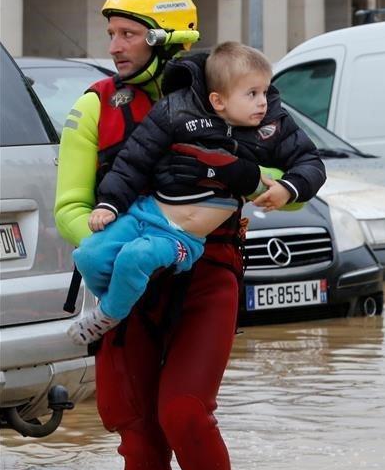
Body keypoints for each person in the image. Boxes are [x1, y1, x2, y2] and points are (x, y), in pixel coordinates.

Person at [53, 0, 285, 470]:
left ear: (167, 38)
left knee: (182, 412)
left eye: (128, 33)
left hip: (207, 275)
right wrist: (125, 241)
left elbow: (294, 178)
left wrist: (257, 184)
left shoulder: (233, 92)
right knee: (137, 432)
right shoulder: (94, 105)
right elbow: (69, 210)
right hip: (128, 285)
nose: (115, 45)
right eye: (111, 34)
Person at [68, 40, 325, 345]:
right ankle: (119, 301)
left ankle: (110, 314)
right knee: (88, 256)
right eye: (252, 94)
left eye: (266, 91)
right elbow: (134, 161)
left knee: (134, 258)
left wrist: (287, 188)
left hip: (182, 239)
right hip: (144, 213)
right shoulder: (177, 111)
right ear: (218, 100)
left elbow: (311, 164)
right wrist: (109, 204)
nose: (263, 103)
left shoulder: (273, 126)